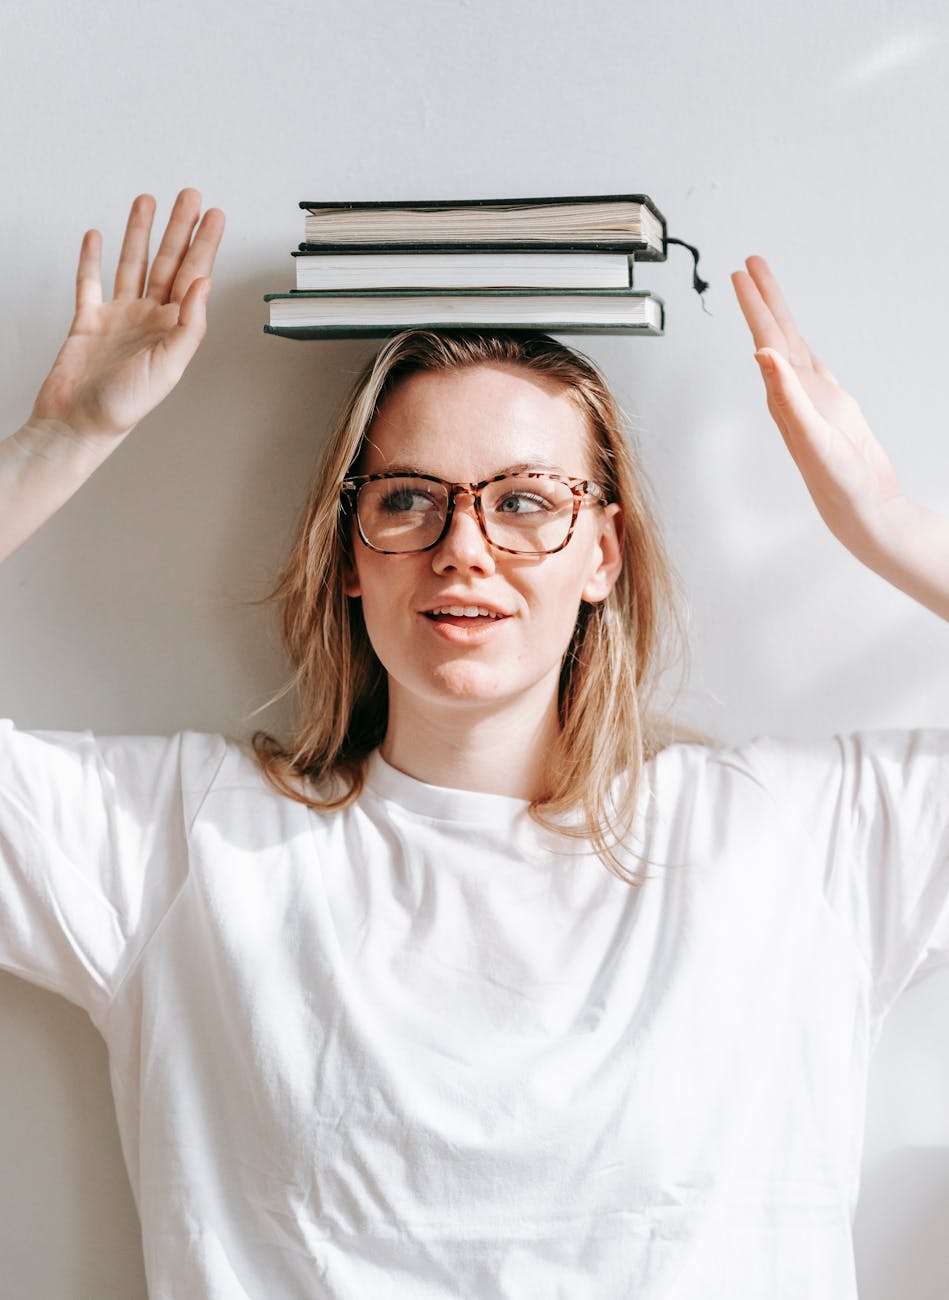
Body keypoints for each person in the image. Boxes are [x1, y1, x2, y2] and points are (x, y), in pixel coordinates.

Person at [0, 188, 946, 1300]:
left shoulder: (799, 841)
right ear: (349, 554)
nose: (463, 548)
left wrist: (886, 524)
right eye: (409, 499)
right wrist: (59, 441)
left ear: (603, 552)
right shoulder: (177, 843)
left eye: (526, 502)